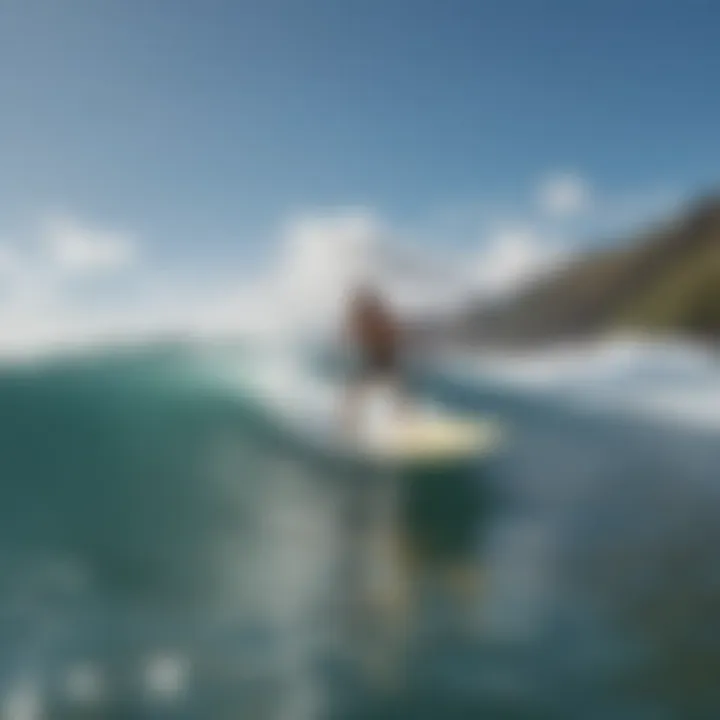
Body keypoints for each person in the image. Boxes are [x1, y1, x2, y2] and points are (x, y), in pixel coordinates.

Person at [342, 284, 407, 434]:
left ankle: (401, 422)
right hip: (375, 362)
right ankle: (348, 425)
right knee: (359, 392)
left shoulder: (378, 320)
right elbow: (354, 335)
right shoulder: (364, 321)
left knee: (394, 391)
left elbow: (393, 336)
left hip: (385, 361)